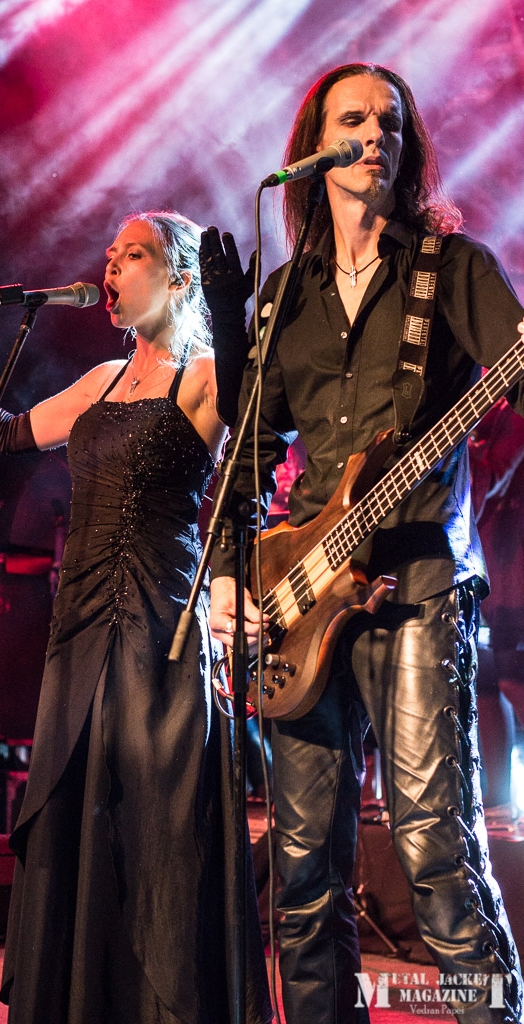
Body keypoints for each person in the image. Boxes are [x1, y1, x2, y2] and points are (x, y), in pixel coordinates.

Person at [0, 210, 272, 1024]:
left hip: (160, 626)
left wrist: (230, 317)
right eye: (109, 254)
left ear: (178, 278)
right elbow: (6, 432)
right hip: (81, 624)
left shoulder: (205, 376)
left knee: (160, 825)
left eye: (132, 255)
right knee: (76, 814)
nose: (111, 267)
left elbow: (254, 418)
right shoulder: (100, 379)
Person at [203, 63, 524, 1023]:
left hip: (419, 581)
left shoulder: (450, 269)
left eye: (390, 121)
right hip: (301, 600)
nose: (375, 133)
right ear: (315, 148)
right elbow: (251, 451)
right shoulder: (284, 295)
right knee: (302, 872)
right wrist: (229, 576)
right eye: (354, 119)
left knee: (435, 850)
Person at [470, 398, 524, 824]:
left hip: (511, 561)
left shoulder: (514, 412)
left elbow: (492, 477)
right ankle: (499, 800)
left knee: (512, 679)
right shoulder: (483, 408)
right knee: (486, 683)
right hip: (481, 557)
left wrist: (465, 451)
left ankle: (505, 799)